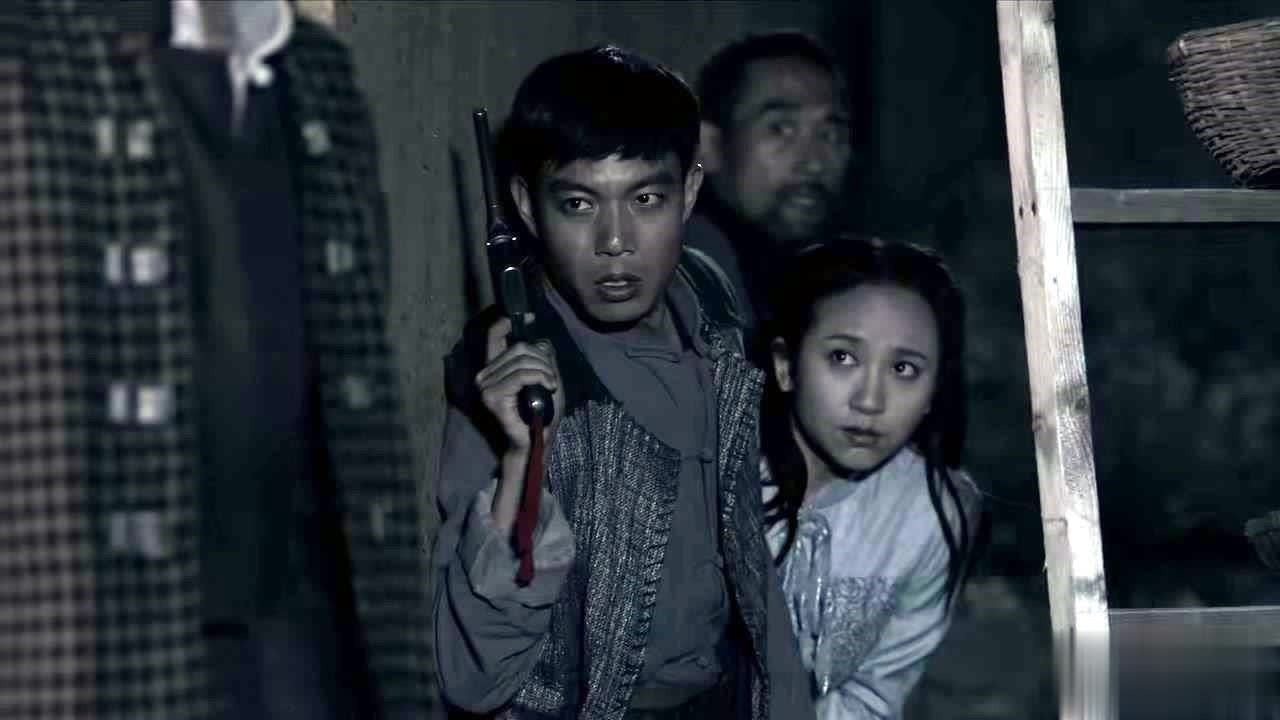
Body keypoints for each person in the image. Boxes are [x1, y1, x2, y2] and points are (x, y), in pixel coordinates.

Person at [0, 2, 430, 717]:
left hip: (303, 652)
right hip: (87, 654)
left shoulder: (314, 74)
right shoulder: (23, 54)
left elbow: (348, 386)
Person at [432, 45, 812, 719]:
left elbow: (749, 552)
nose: (615, 240)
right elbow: (472, 678)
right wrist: (524, 457)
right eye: (579, 204)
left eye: (645, 199)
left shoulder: (710, 303)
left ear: (689, 192)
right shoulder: (504, 378)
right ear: (526, 207)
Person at [759, 238, 983, 719]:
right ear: (785, 364)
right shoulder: (712, 473)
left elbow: (873, 698)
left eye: (904, 369)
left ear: (933, 390)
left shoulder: (929, 512)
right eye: (843, 358)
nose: (870, 400)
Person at [687, 31, 855, 355]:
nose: (814, 163)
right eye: (781, 129)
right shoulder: (686, 268)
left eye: (830, 134)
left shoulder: (818, 272)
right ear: (710, 145)